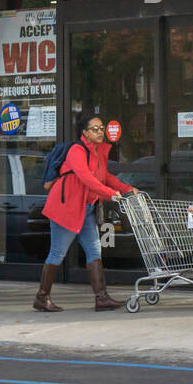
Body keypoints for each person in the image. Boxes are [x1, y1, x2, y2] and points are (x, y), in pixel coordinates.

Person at [34, 111, 137, 313]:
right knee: (58, 252)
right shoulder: (77, 151)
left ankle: (102, 298)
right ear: (84, 132)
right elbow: (86, 178)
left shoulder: (97, 152)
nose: (100, 132)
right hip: (66, 208)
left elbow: (105, 177)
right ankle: (41, 298)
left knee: (94, 251)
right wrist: (110, 194)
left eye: (101, 128)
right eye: (94, 129)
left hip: (87, 209)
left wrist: (126, 188)